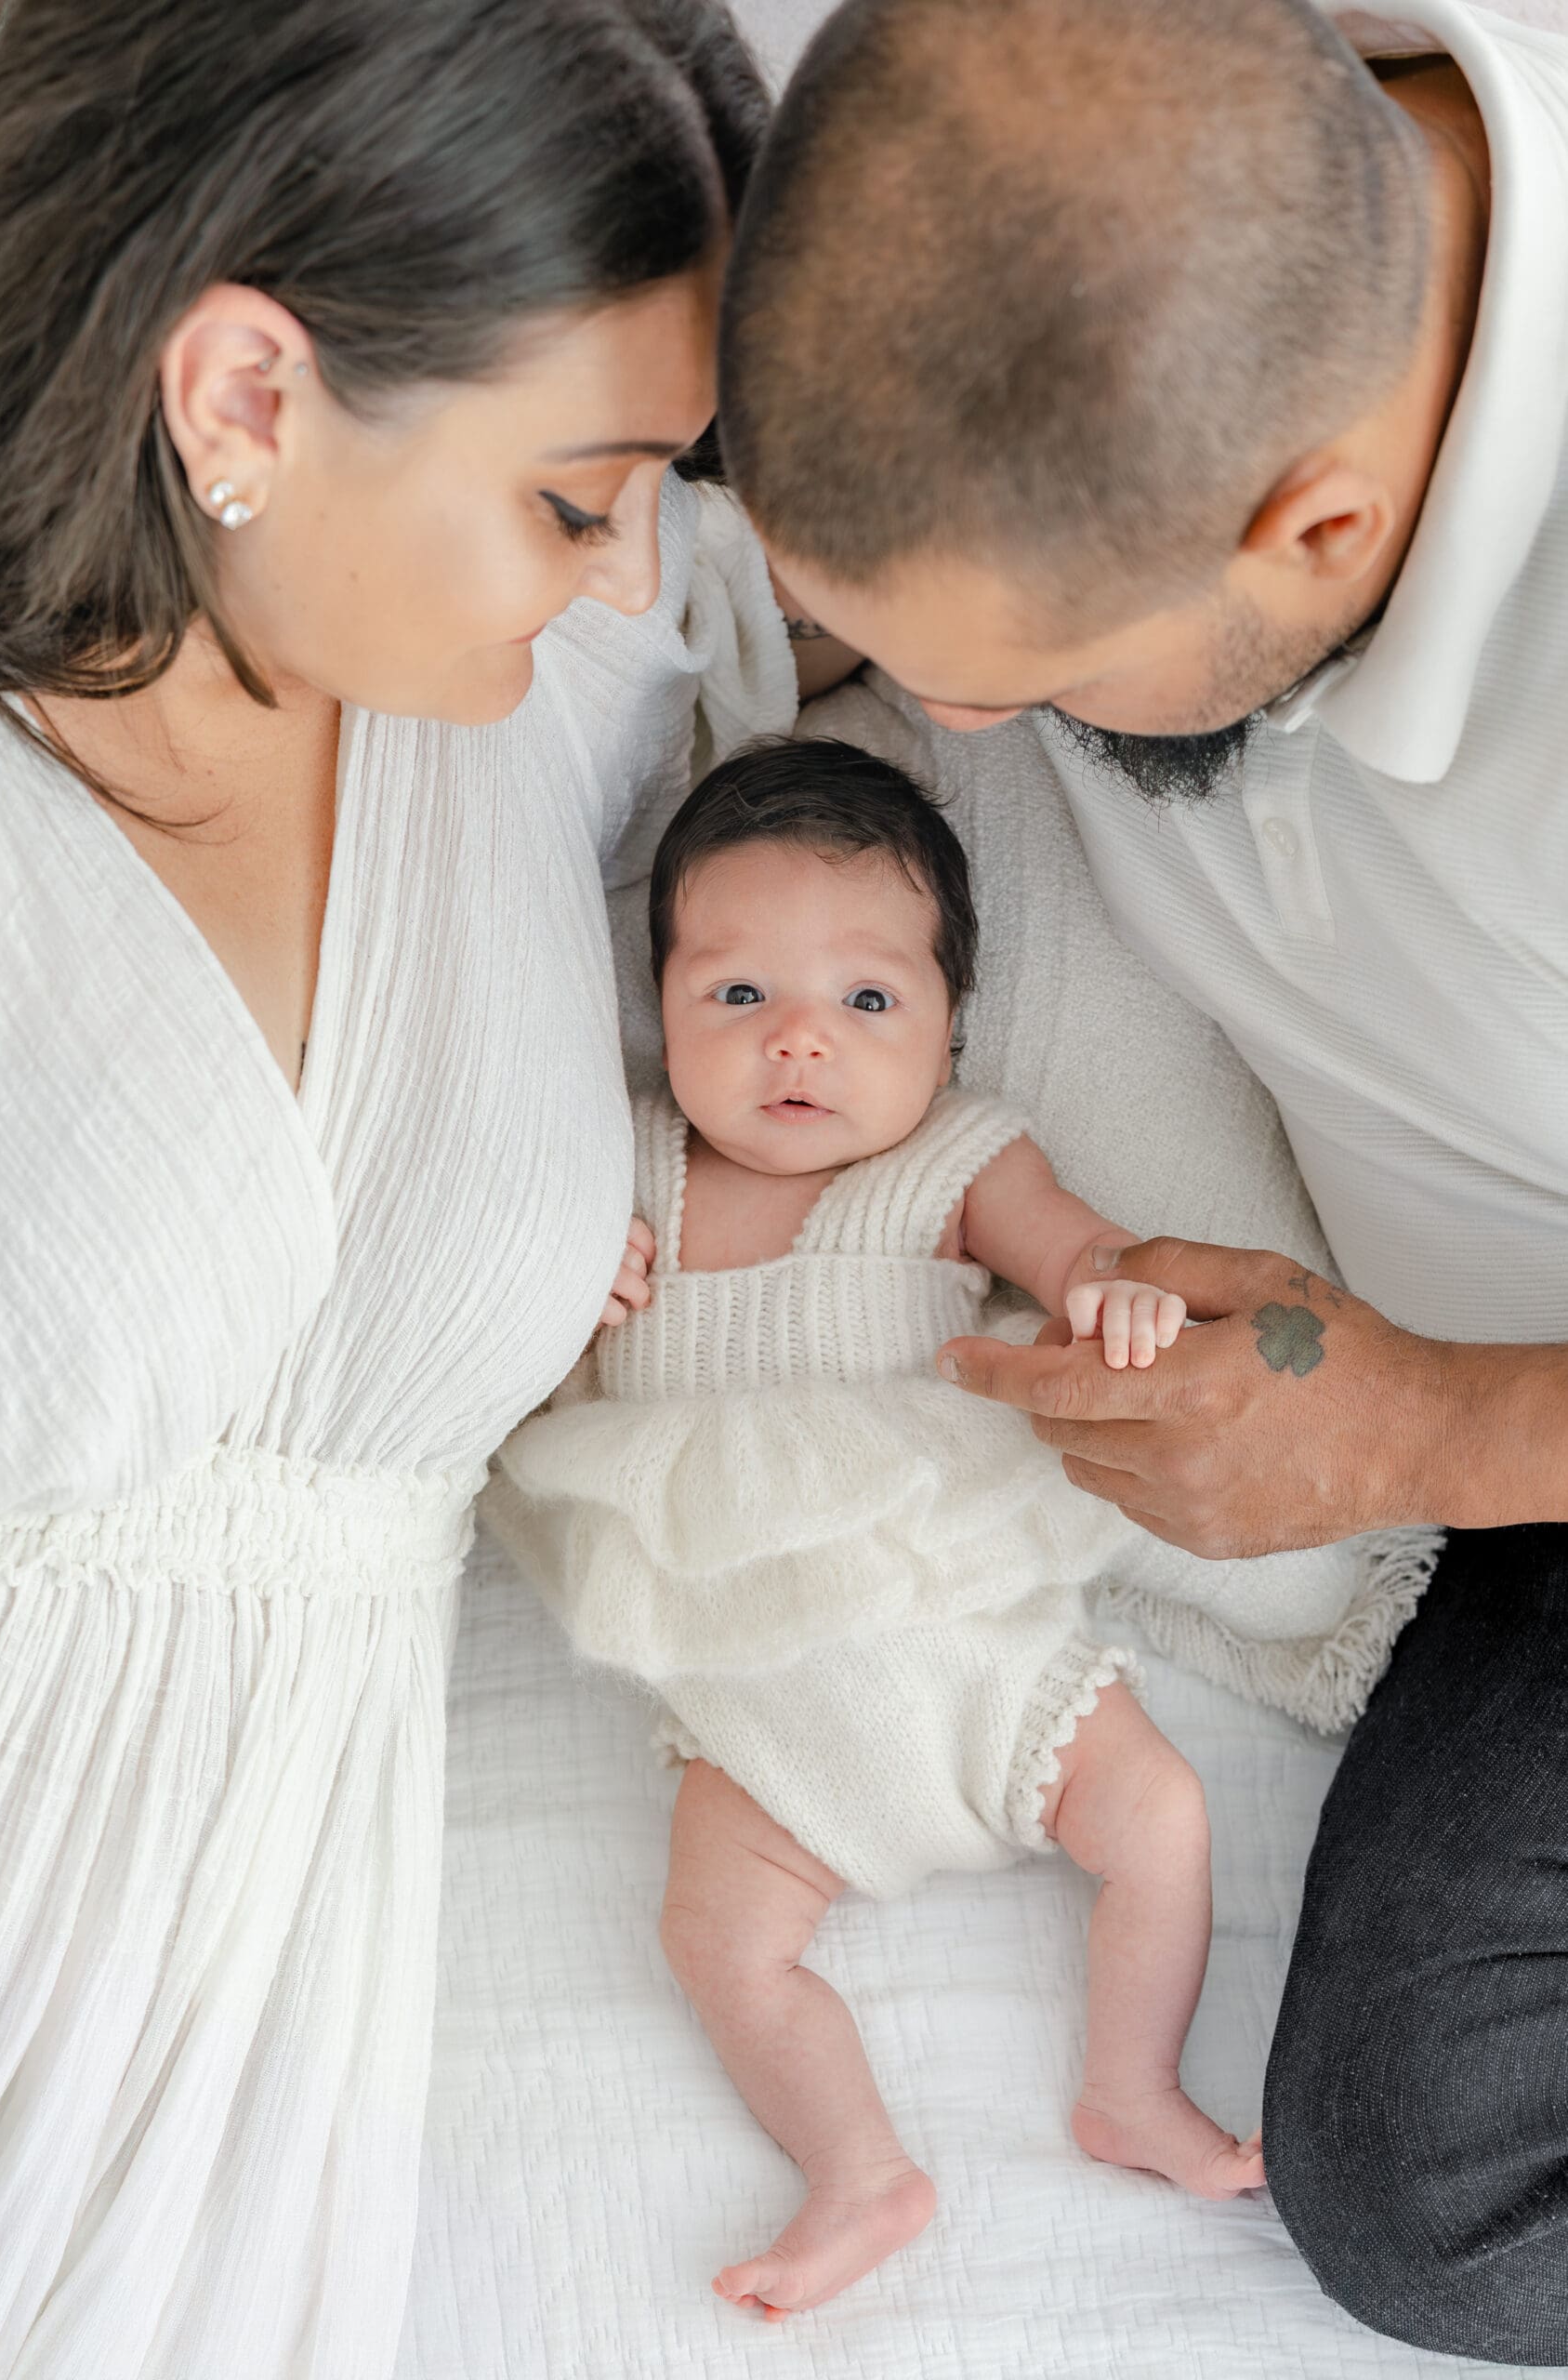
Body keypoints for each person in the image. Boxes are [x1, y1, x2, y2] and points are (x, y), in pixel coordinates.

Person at [713, 0, 1568, 2358]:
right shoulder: (1112, 174)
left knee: (1443, 2196)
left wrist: (1421, 1429)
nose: (935, 724)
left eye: (1013, 680)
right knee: (1415, 2147)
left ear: (1318, 526)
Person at [0, 3, 812, 2373]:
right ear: (245, 394)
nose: (626, 553)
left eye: (660, 477)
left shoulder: (530, 684)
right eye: (573, 494)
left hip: (230, 2138)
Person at [491, 737, 1265, 2325]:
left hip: (981, 1661)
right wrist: (563, 1286)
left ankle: (1132, 2087)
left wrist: (1115, 1294)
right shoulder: (624, 1166)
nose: (798, 1041)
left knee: (1163, 1820)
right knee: (719, 1943)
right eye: (736, 994)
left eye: (865, 998)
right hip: (761, 1720)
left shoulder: (956, 1156)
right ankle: (856, 2170)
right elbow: (523, 1348)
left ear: (947, 1025)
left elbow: (1084, 1254)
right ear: (658, 1006)